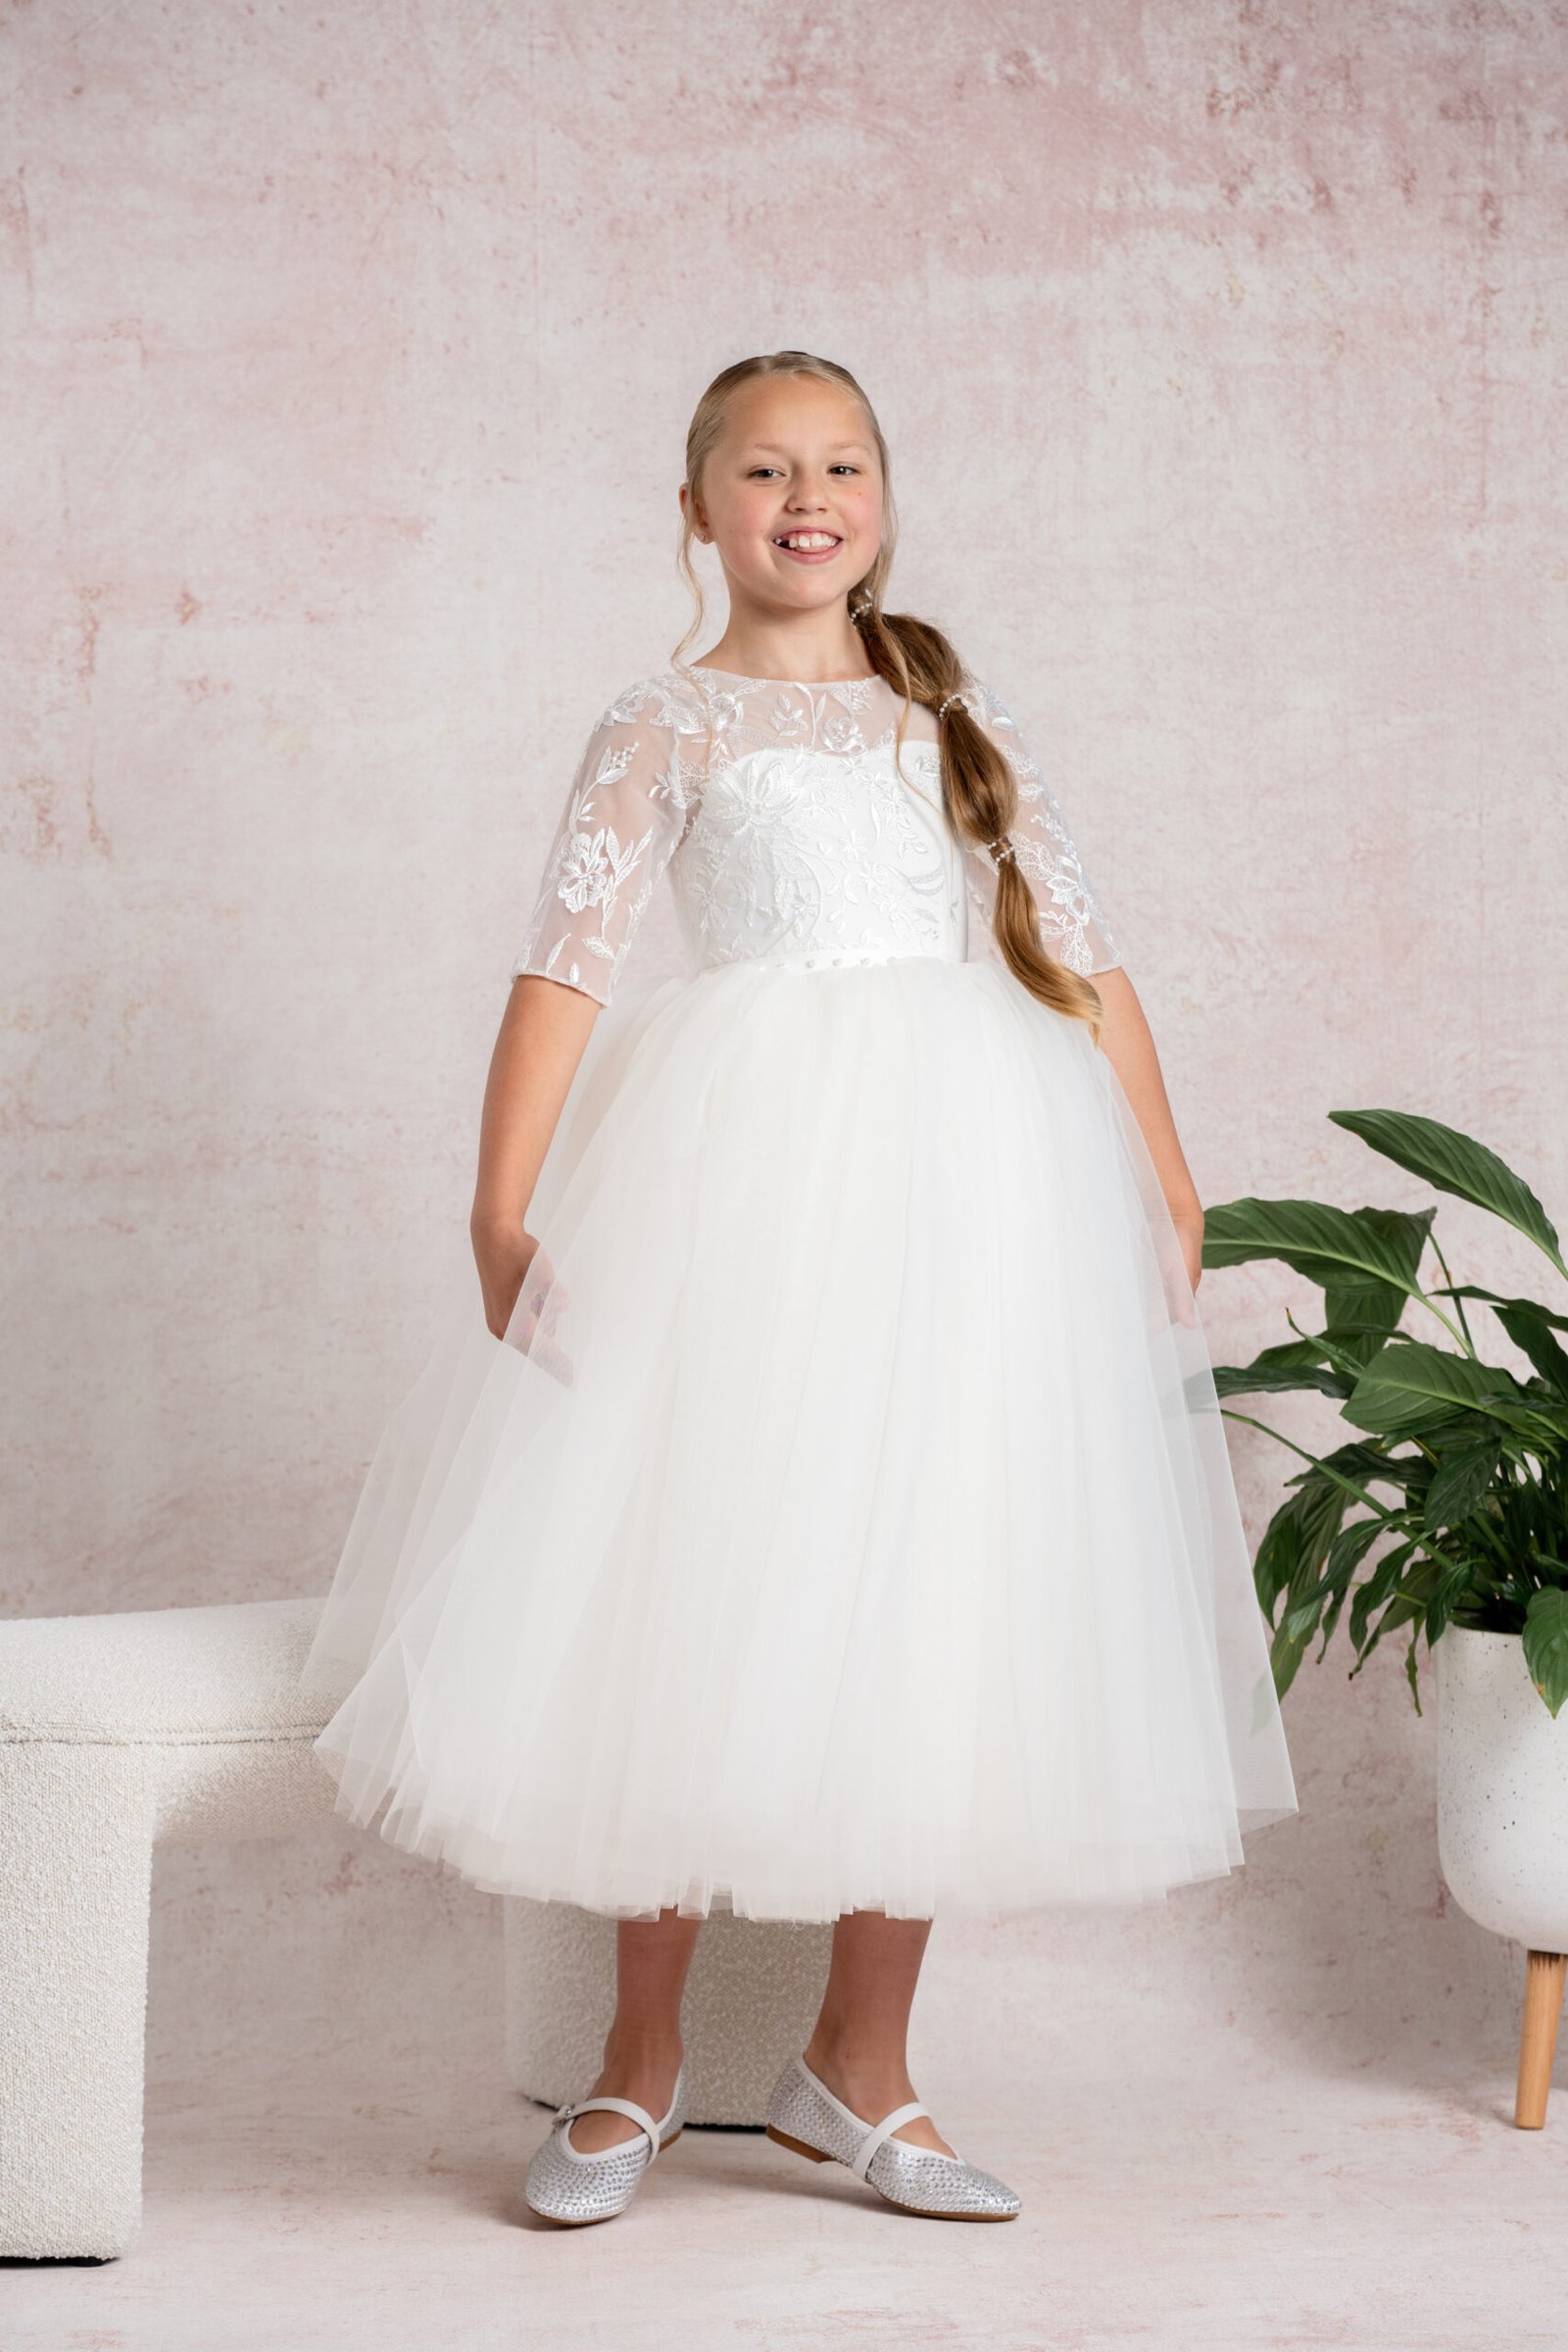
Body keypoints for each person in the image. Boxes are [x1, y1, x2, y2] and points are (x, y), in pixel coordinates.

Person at [299, 349, 1298, 2229]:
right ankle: (638, 2062)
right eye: (763, 471)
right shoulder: (663, 722)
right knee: (700, 1561)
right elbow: (565, 968)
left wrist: (1167, 1177)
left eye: (841, 466)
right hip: (739, 1189)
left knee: (929, 1580)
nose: (806, 498)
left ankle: (865, 2069)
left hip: (962, 1197)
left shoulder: (950, 711)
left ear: (885, 500)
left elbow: (1082, 956)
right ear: (697, 511)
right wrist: (497, 1212)